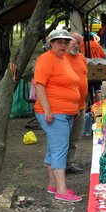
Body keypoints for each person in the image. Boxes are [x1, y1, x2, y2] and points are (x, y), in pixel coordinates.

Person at [33, 29, 83, 202]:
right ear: (51, 43)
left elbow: (70, 86)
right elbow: (39, 85)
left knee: (54, 148)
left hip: (66, 112)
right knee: (60, 149)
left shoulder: (63, 59)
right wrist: (47, 109)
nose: (63, 45)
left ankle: (53, 184)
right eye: (59, 41)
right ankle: (62, 190)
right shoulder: (45, 59)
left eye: (65, 42)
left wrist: (74, 107)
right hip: (54, 113)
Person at [64, 31, 88, 174]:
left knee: (74, 138)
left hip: (81, 104)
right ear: (67, 42)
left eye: (79, 42)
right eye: (74, 41)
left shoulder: (81, 58)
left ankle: (69, 163)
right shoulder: (62, 58)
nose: (77, 45)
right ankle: (60, 166)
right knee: (63, 138)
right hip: (67, 107)